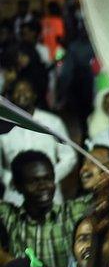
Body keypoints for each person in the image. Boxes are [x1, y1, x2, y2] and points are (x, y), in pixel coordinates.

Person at [0, 151, 90, 267]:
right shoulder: (10, 216)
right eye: (34, 181)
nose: (43, 186)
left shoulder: (72, 212)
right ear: (18, 186)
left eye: (48, 179)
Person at [0, 77, 77, 205]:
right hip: (15, 195)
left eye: (26, 91)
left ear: (34, 95)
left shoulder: (52, 122)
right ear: (11, 96)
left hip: (49, 194)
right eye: (17, 91)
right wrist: (10, 179)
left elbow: (69, 156)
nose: (22, 95)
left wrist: (48, 178)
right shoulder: (3, 126)